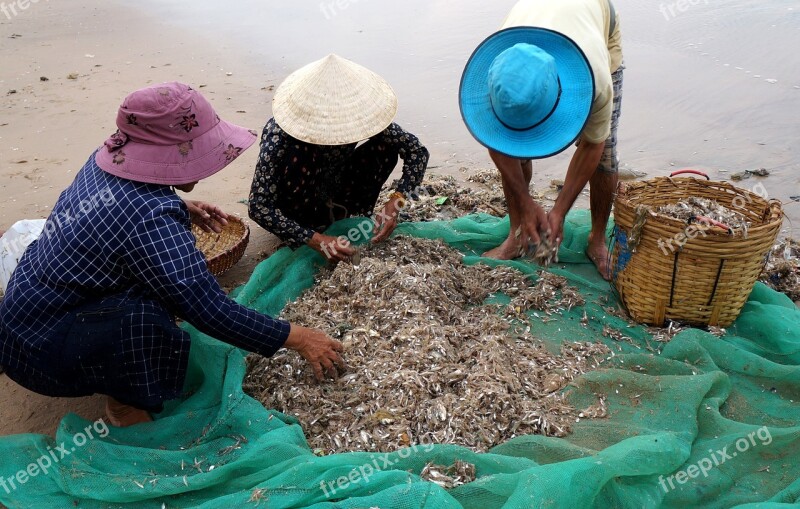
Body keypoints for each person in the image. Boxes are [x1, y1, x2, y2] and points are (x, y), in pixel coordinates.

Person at [0, 82, 344, 427]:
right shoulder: (151, 216)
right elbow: (209, 310)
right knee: (150, 317)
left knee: (159, 285)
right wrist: (299, 338)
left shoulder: (109, 158)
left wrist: (179, 205)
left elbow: (121, 208)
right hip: (41, 350)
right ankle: (122, 407)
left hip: (25, 309)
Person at [459, 0, 623, 279]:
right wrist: (525, 203)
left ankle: (596, 241)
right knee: (511, 145)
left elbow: (593, 145)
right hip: (536, 23)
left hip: (597, 20)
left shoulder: (598, 79)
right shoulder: (500, 73)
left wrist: (559, 211)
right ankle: (517, 234)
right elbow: (496, 143)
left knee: (605, 154)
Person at [248, 54, 430, 262]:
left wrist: (395, 202)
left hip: (336, 190)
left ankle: (348, 216)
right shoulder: (280, 135)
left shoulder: (358, 115)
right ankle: (313, 228)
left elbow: (416, 151)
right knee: (298, 153)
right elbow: (258, 206)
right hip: (297, 206)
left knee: (385, 147)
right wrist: (315, 239)